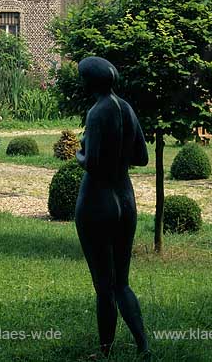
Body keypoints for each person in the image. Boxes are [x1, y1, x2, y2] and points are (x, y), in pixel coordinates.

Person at [74, 56, 150, 358]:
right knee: (122, 283)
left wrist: (79, 153)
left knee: (104, 285)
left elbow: (90, 163)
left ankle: (105, 350)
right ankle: (143, 344)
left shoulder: (96, 113)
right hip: (125, 199)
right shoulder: (127, 108)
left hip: (97, 202)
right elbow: (142, 157)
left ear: (89, 82)